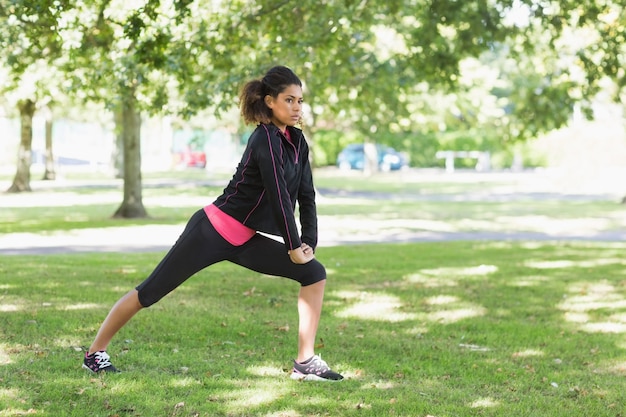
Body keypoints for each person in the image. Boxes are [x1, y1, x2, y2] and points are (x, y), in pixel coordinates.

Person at [82, 65, 343, 382]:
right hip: (211, 230)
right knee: (150, 292)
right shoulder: (264, 139)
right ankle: (95, 353)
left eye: (300, 101)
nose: (297, 107)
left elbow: (306, 195)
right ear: (270, 101)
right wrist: (291, 246)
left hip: (244, 239)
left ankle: (305, 361)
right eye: (289, 100)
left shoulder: (298, 142)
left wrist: (308, 244)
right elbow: (278, 196)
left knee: (313, 272)